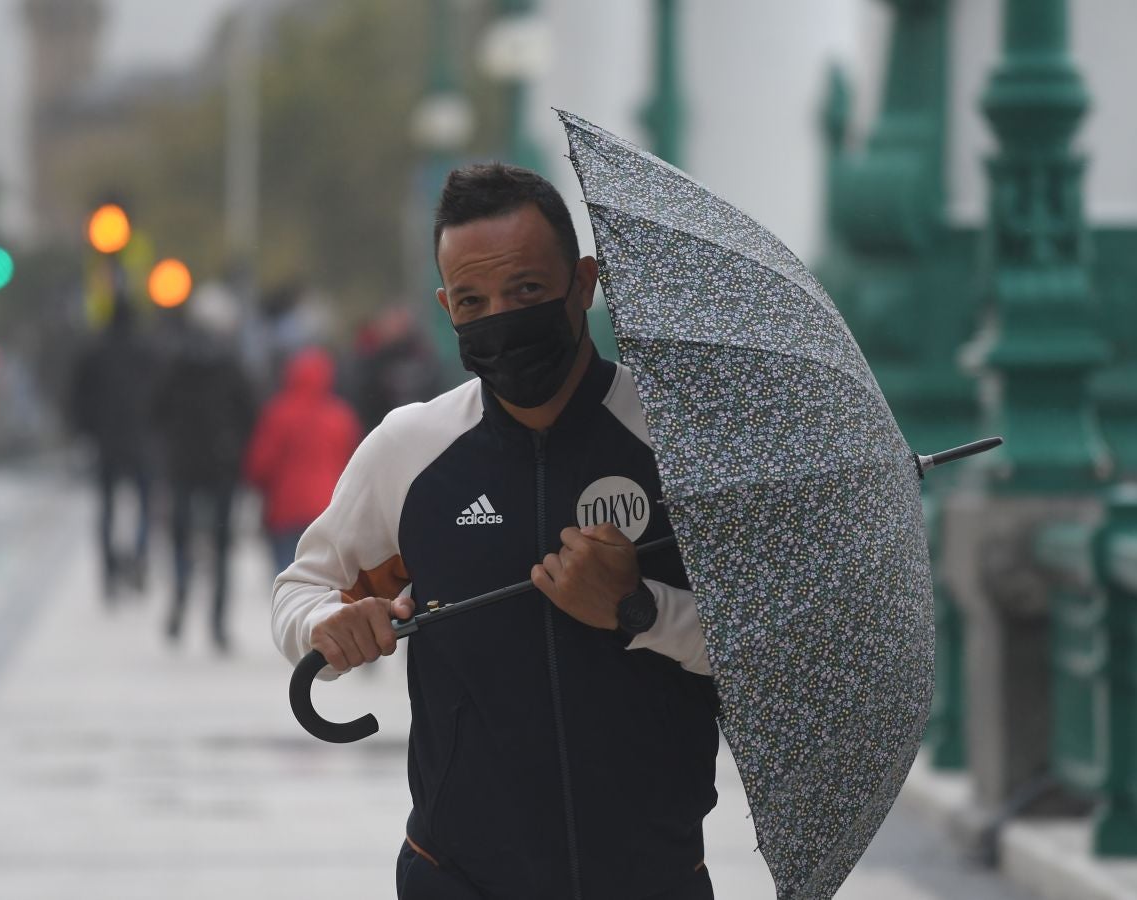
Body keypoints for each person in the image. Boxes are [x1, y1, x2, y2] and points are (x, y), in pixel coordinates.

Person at [273, 163, 718, 900]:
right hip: (459, 878)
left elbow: (761, 641)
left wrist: (638, 609)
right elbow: (300, 590)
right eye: (473, 301)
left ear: (583, 283)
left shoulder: (677, 443)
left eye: (526, 292)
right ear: (446, 304)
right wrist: (331, 624)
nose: (500, 318)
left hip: (654, 876)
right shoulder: (410, 450)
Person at [153, 287, 256, 652]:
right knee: (222, 546)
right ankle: (218, 623)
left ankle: (180, 595)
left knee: (180, 538)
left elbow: (156, 411)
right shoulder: (232, 366)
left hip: (183, 464)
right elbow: (251, 414)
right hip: (222, 465)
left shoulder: (176, 363)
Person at [69, 295, 157, 600]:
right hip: (141, 442)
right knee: (145, 506)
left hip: (106, 443)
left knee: (106, 509)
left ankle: (109, 572)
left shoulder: (94, 353)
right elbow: (159, 397)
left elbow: (78, 400)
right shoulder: (147, 353)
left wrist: (86, 432)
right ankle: (139, 558)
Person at [244, 347, 361, 574]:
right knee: (325, 583)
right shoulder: (341, 416)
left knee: (288, 580)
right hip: (328, 509)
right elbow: (355, 465)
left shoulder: (278, 413)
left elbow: (259, 466)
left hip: (284, 512)